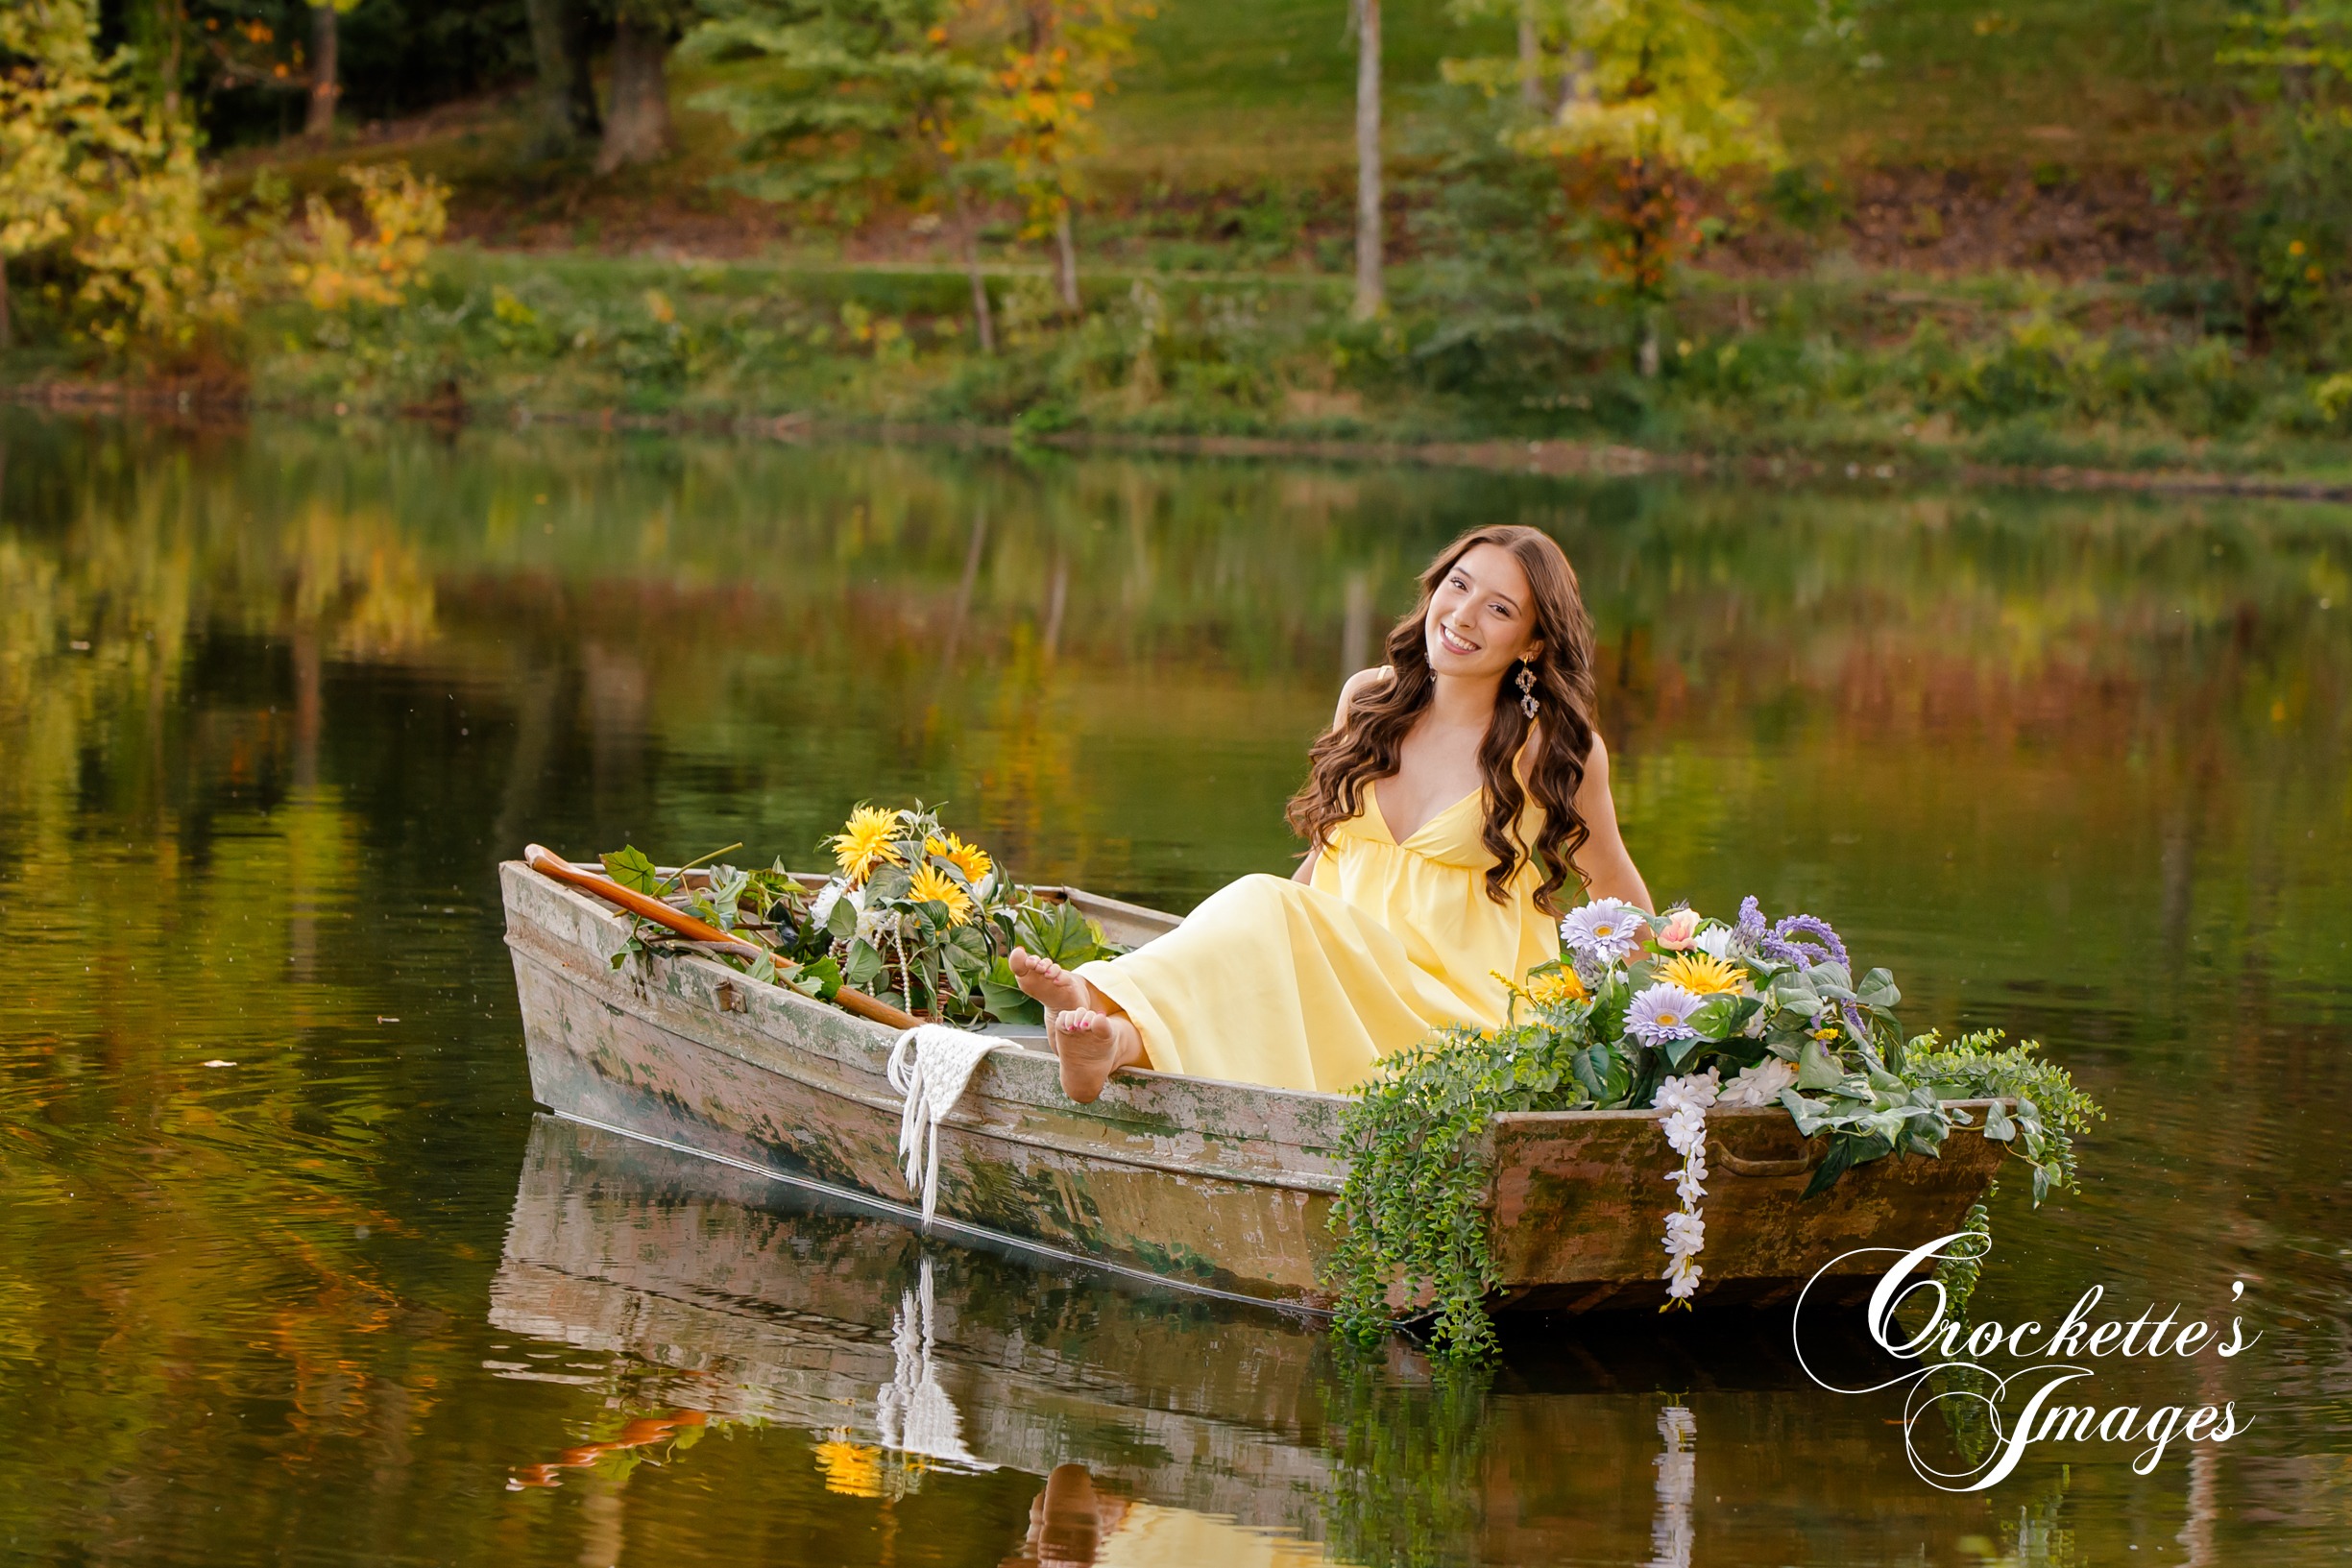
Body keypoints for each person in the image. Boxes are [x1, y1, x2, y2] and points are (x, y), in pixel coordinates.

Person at [1010, 523, 1653, 1102]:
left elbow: (1620, 899)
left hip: (1455, 1014)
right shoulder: (1369, 700)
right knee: (1263, 922)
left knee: (1266, 908)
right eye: (1456, 586)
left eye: (1499, 609)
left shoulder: (1554, 751)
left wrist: (1667, 1012)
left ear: (1533, 643)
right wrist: (1259, 948)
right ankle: (1108, 1040)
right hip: (1339, 985)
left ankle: (1095, 994)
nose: (1461, 615)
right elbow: (1322, 865)